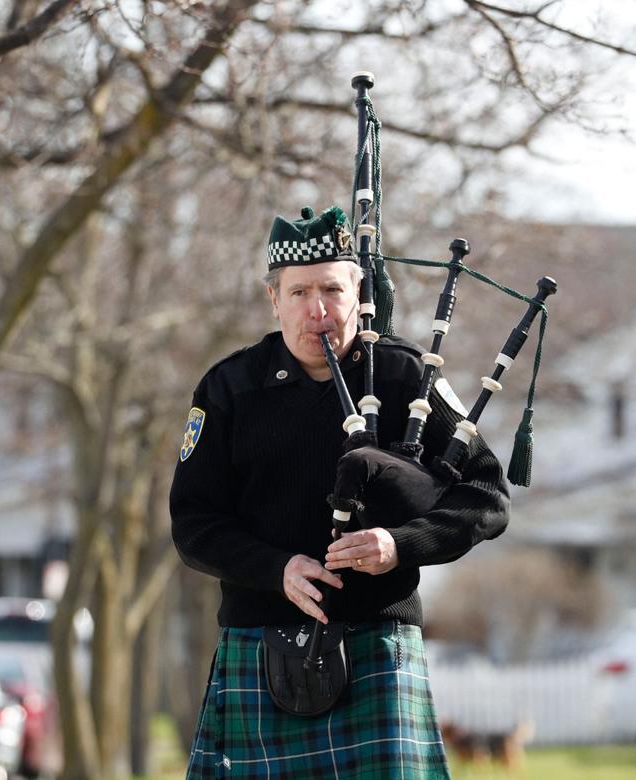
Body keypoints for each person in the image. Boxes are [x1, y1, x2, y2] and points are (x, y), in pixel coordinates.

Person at [170, 205, 510, 778]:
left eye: (332, 289)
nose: (318, 309)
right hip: (259, 638)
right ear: (273, 299)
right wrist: (276, 569)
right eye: (299, 292)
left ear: (359, 292)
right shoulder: (230, 387)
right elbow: (193, 524)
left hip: (377, 641)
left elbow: (486, 495)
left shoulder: (407, 377)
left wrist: (400, 545)